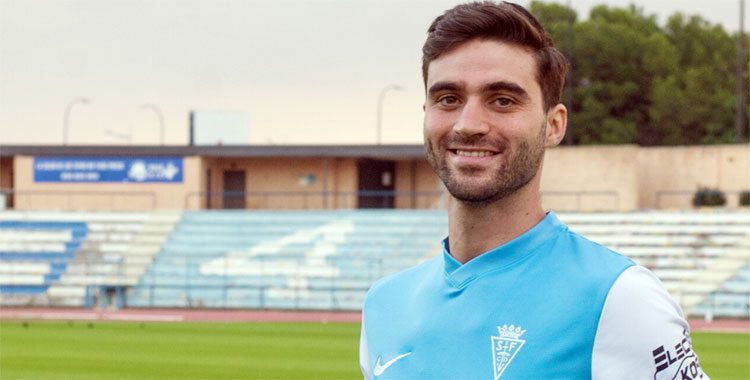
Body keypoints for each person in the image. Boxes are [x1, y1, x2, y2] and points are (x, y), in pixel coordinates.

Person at [359, 2, 710, 380]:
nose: (468, 124)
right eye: (448, 99)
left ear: (553, 125)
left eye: (503, 100)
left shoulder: (618, 300)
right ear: (425, 113)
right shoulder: (384, 305)